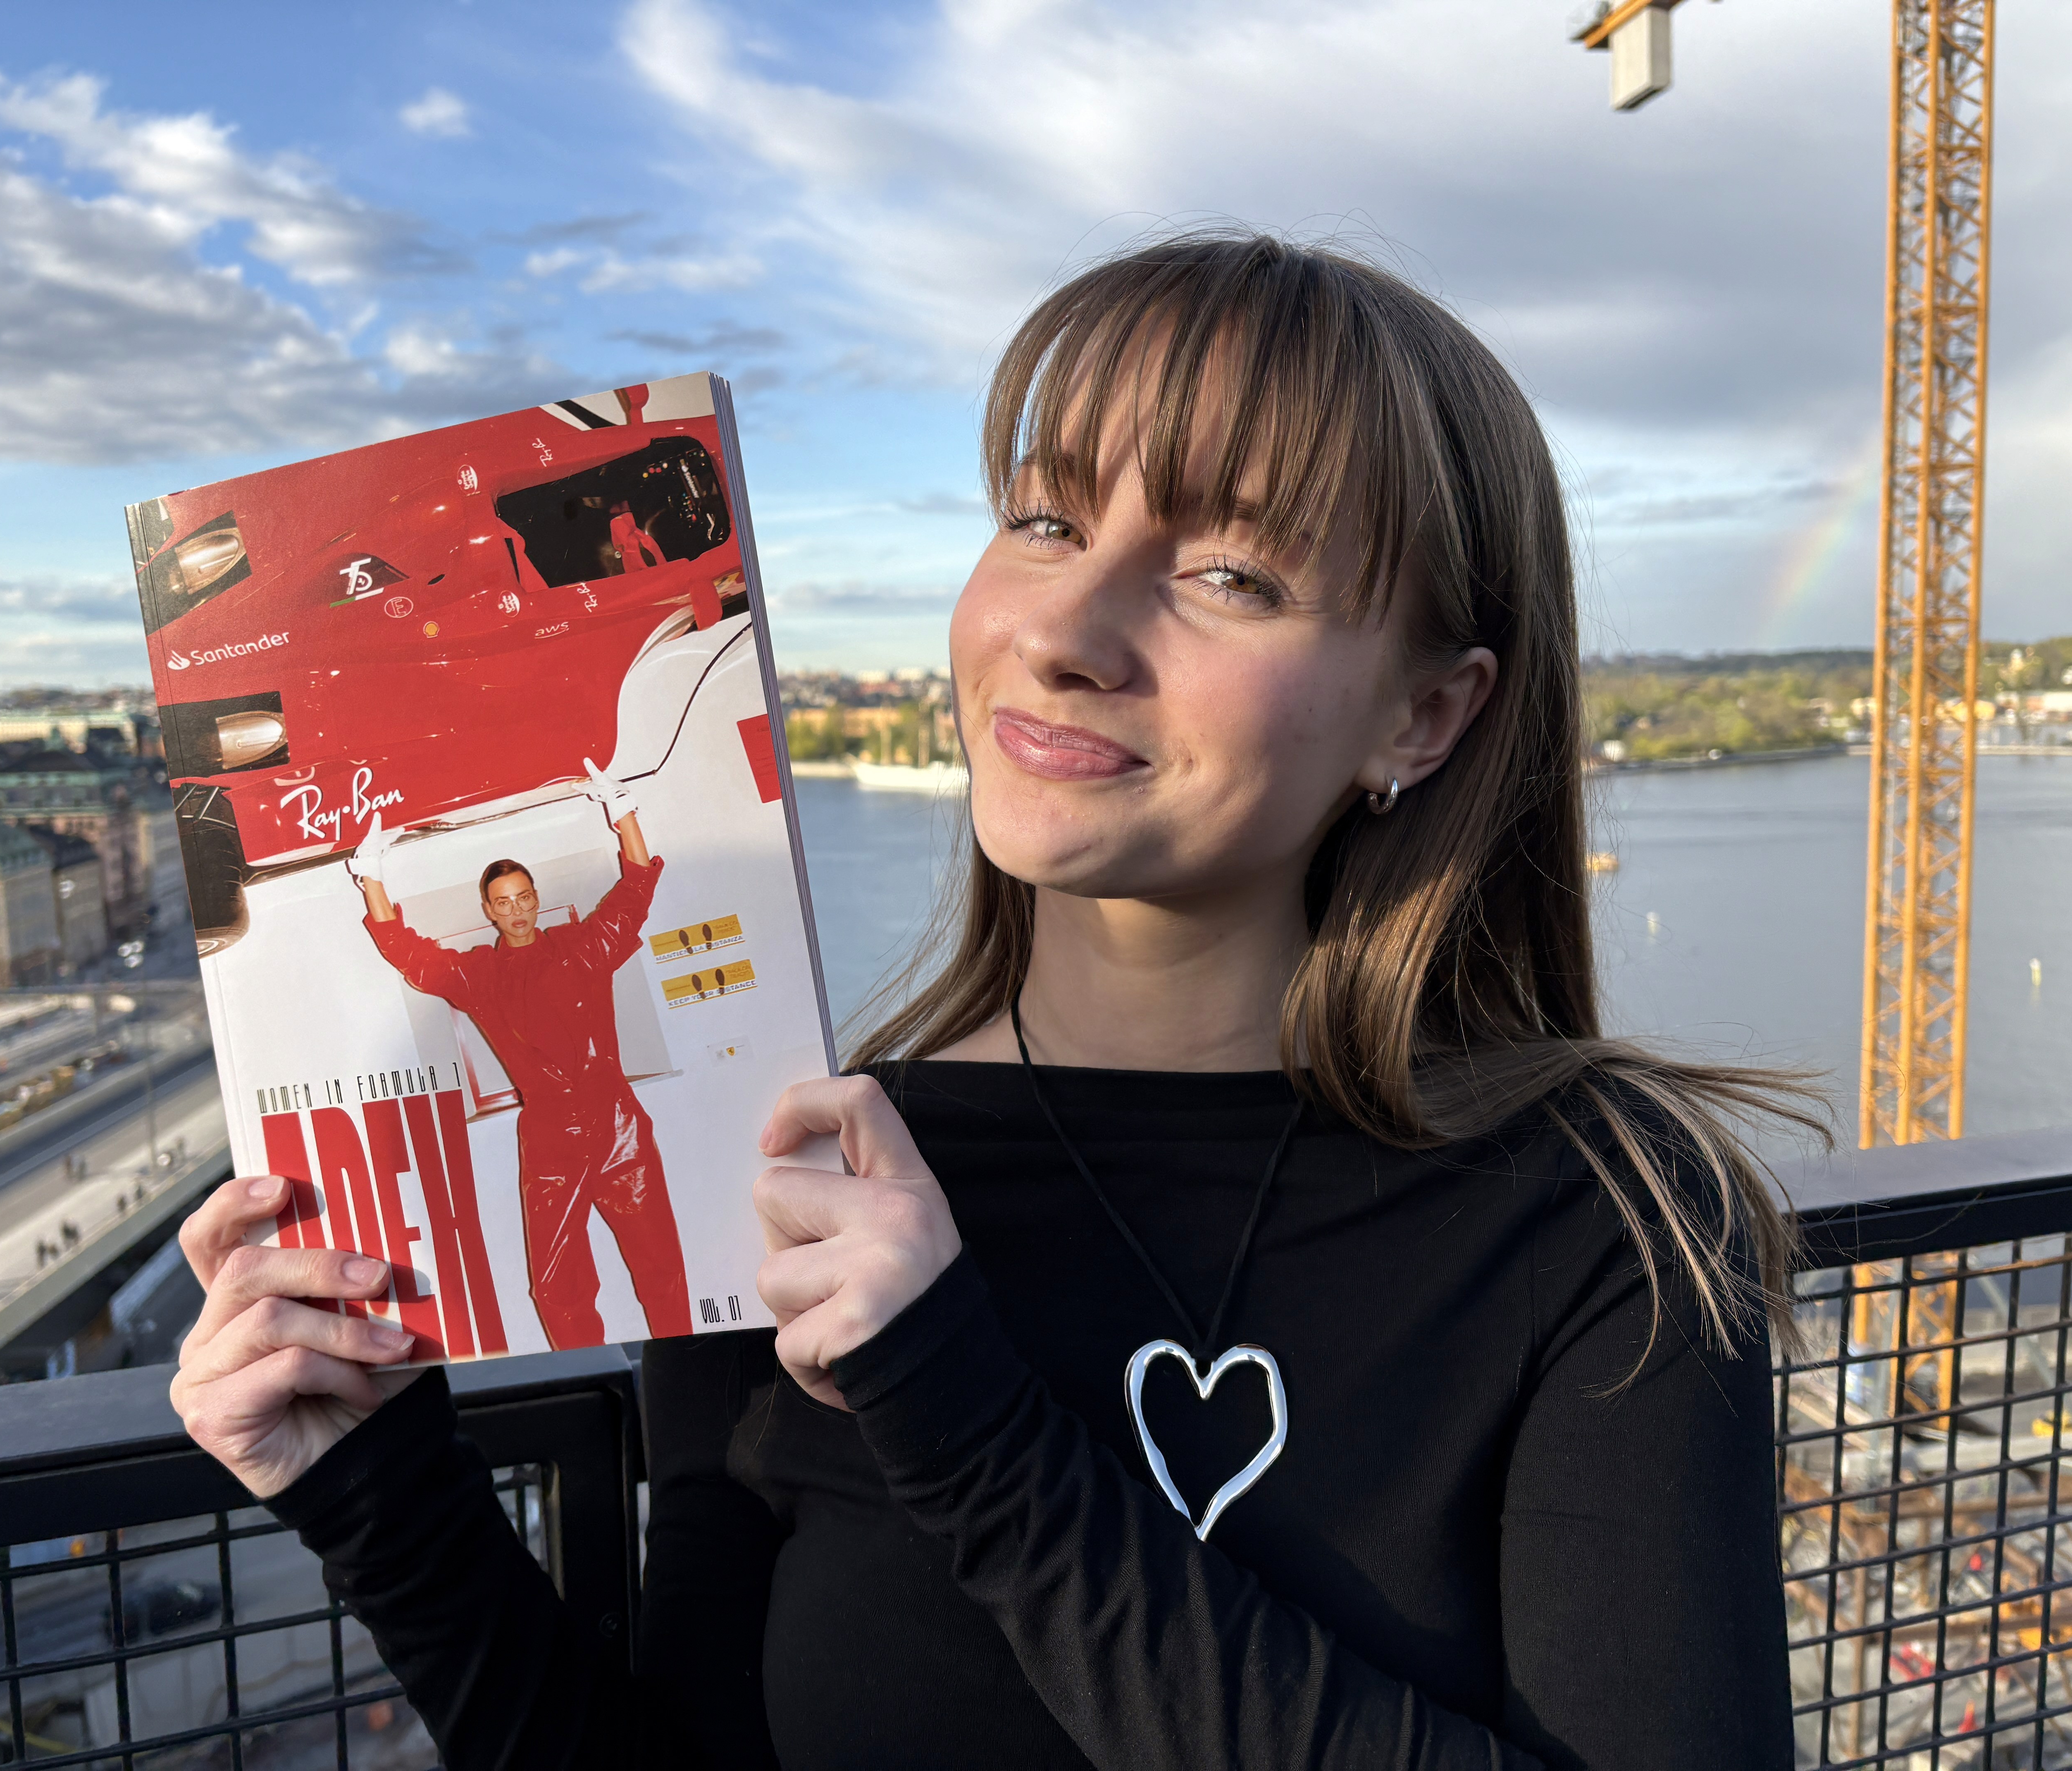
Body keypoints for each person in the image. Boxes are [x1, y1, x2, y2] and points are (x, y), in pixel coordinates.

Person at [170, 231, 1811, 1768]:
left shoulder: (1604, 1220)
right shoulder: (797, 1166)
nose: (1067, 633)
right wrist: (373, 1485)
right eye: (1045, 519)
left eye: (1232, 571)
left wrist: (966, 1422)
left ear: (1428, 718)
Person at [347, 762, 694, 1349]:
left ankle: (688, 1373)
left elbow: (637, 888)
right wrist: (371, 878)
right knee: (556, 1288)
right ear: (489, 911)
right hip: (551, 1138)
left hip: (618, 1127)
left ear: (536, 899)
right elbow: (408, 953)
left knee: (662, 1270)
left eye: (524, 897)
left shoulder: (585, 947)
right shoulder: (479, 975)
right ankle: (589, 1374)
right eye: (503, 902)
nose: (517, 910)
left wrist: (622, 811)